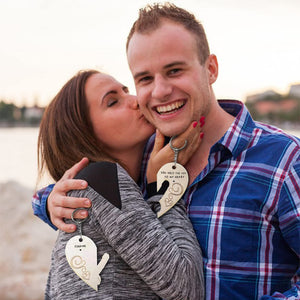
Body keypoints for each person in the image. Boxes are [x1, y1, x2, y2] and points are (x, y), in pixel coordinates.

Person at [33, 3, 300, 299]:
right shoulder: (140, 157)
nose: (159, 91)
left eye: (174, 71)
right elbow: (90, 192)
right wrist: (51, 201)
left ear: (210, 69)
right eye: (144, 79)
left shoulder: (283, 160)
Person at [37, 69, 205, 299]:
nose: (136, 101)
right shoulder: (103, 179)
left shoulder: (93, 185)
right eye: (113, 102)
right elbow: (187, 288)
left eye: (126, 91)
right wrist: (162, 186)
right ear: (84, 133)